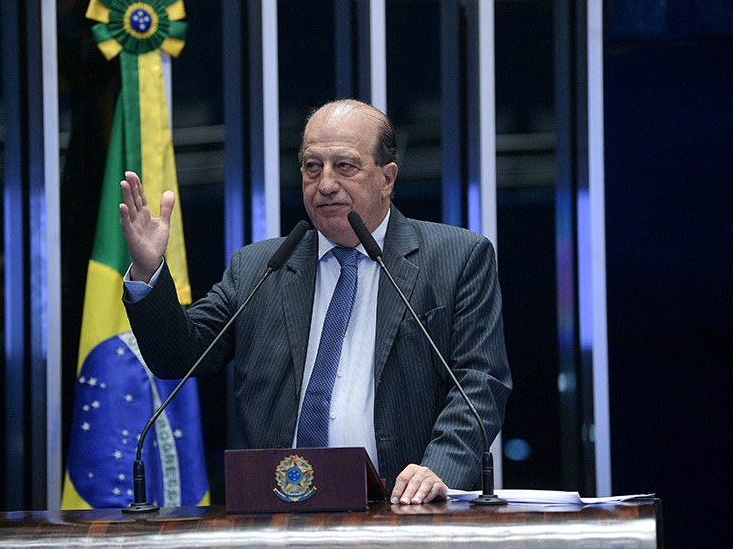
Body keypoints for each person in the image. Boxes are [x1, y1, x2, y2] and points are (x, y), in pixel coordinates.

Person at [120, 99, 511, 505]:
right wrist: (148, 272)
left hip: (404, 511)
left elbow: (480, 381)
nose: (325, 184)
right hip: (277, 513)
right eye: (312, 167)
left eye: (345, 166)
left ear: (388, 178)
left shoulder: (457, 257)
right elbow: (179, 356)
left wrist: (439, 469)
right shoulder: (261, 267)